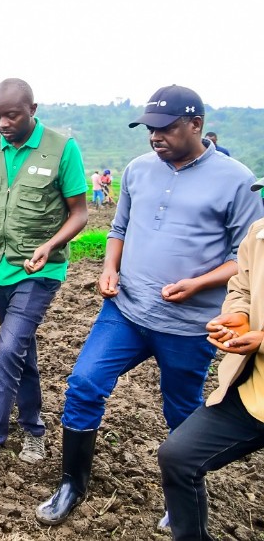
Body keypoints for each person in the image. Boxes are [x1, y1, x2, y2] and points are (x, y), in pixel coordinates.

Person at [36, 85, 263, 526]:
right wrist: (109, 268)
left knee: (182, 411)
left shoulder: (236, 179)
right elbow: (119, 228)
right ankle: (72, 484)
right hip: (127, 310)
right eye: (149, 129)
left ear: (195, 125)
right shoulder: (138, 170)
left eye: (166, 128)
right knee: (84, 383)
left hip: (189, 325)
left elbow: (245, 257)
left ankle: (180, 500)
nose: (155, 137)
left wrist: (198, 283)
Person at [0, 78, 89, 509]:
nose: (3, 123)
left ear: (32, 109)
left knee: (6, 352)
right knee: (20, 351)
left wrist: (50, 245)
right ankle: (33, 427)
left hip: (39, 270)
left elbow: (80, 213)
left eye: (11, 115)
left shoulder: (62, 149)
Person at [158, 201, 264, 541]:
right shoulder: (259, 233)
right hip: (252, 392)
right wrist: (240, 316)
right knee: (178, 456)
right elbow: (242, 287)